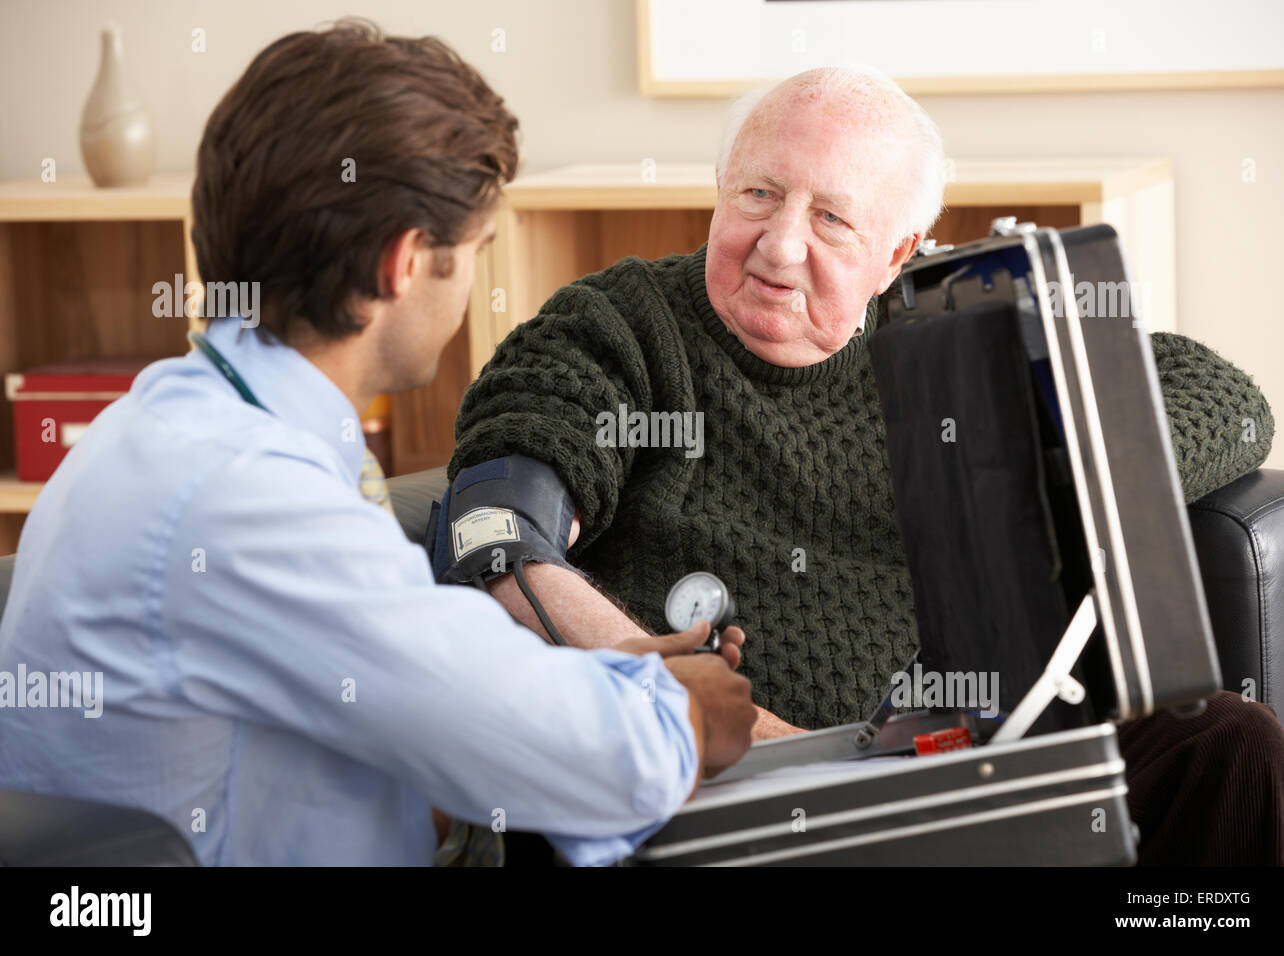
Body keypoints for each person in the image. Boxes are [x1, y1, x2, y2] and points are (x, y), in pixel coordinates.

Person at [447, 67, 1284, 865]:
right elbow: (496, 534)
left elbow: (1226, 396)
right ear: (720, 192)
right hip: (714, 794)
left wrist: (1033, 473)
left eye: (831, 219)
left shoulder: (941, 345)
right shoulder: (621, 326)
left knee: (1228, 740)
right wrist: (656, 680)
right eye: (759, 194)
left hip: (954, 768)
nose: (779, 247)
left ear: (898, 255)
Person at [0, 19, 757, 867]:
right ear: (405, 263)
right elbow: (584, 760)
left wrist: (594, 685)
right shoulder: (248, 495)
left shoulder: (167, 420)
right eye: (475, 253)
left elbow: (408, 707)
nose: (473, 282)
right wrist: (684, 714)